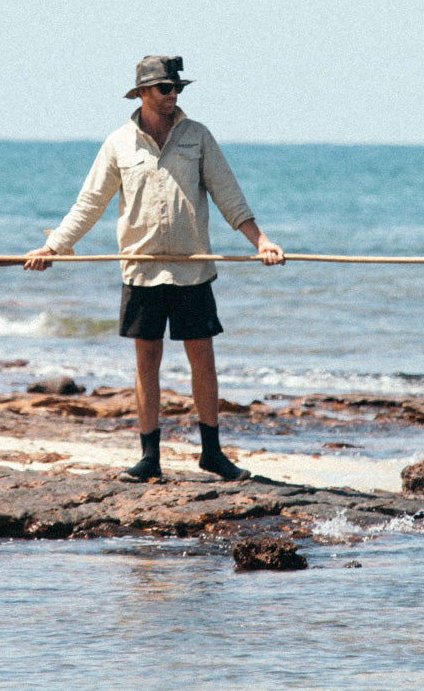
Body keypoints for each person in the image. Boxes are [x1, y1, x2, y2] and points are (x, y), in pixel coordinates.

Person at [24, 55, 284, 483]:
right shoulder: (118, 143)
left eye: (177, 88)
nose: (173, 95)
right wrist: (54, 246)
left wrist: (262, 242)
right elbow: (89, 204)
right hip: (142, 271)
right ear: (143, 92)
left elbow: (228, 196)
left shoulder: (197, 137)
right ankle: (149, 458)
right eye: (165, 88)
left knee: (203, 359)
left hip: (191, 269)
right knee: (147, 361)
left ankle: (212, 453)